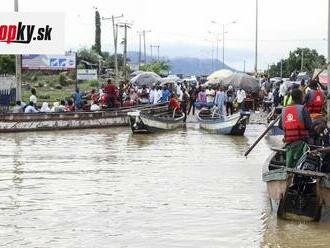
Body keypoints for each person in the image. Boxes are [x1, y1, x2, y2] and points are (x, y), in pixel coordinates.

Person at [278, 88, 312, 168]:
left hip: (289, 142)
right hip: (302, 142)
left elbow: (280, 126)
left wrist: (290, 127)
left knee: (288, 165)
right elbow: (309, 126)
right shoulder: (303, 109)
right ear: (300, 97)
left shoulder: (284, 109)